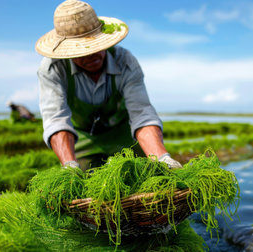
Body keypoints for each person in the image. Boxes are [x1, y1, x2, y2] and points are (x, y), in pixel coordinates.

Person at [35, 0, 181, 170]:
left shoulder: (125, 61)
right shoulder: (53, 68)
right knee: (81, 179)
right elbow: (56, 119)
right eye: (81, 52)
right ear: (67, 52)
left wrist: (162, 158)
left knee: (145, 172)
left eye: (95, 47)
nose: (90, 56)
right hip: (82, 138)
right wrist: (69, 165)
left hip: (123, 133)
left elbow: (142, 113)